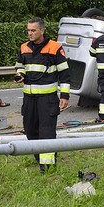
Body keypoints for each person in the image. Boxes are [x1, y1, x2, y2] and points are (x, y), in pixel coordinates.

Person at [15, 17, 70, 174]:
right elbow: (20, 65)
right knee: (30, 130)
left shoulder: (55, 48)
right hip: (29, 99)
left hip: (48, 100)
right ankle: (41, 158)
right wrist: (20, 74)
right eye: (28, 30)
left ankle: (47, 167)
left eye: (33, 30)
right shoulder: (24, 47)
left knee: (46, 131)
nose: (30, 33)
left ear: (42, 31)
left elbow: (64, 74)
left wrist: (64, 96)